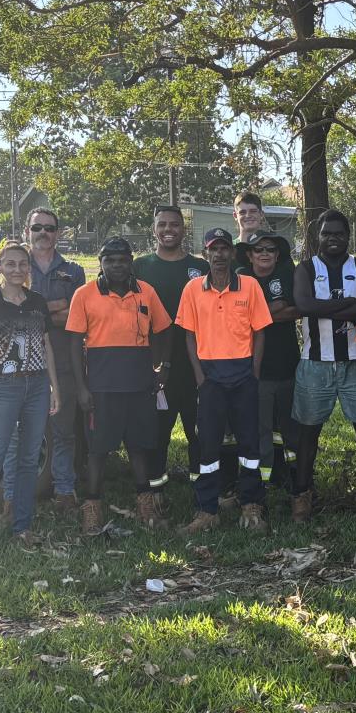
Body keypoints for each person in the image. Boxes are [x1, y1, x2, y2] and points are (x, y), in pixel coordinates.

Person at [66, 237, 172, 536]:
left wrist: (164, 366)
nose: (116, 266)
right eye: (110, 260)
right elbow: (74, 343)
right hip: (101, 387)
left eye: (122, 260)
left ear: (130, 262)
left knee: (139, 447)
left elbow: (164, 329)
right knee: (98, 450)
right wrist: (81, 387)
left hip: (139, 385)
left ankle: (145, 506)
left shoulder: (146, 292)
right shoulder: (84, 294)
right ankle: (92, 509)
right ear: (101, 263)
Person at [0, 243, 61, 554]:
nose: (17, 269)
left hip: (37, 385)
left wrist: (54, 388)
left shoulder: (37, 302)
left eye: (22, 264)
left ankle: (22, 527)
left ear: (29, 267)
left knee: (29, 460)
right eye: (10, 264)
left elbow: (46, 347)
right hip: (3, 387)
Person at [178, 229, 273, 533]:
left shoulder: (249, 285)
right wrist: (200, 377)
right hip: (210, 376)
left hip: (243, 373)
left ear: (233, 253)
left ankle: (251, 504)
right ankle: (208, 510)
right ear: (205, 254)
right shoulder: (193, 289)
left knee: (249, 442)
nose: (219, 254)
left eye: (224, 249)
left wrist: (254, 372)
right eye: (213, 249)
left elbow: (259, 332)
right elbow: (189, 335)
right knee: (208, 443)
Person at [289, 209, 356, 519]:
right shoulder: (305, 268)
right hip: (315, 363)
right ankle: (302, 493)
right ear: (318, 236)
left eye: (339, 233)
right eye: (327, 233)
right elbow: (304, 305)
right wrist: (350, 305)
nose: (333, 238)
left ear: (347, 236)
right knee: (308, 432)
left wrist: (323, 308)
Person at [132, 205, 209, 513]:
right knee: (158, 432)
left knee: (197, 431)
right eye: (162, 224)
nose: (168, 229)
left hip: (195, 362)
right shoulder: (140, 266)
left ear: (183, 229)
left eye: (174, 224)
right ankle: (156, 490)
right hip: (155, 363)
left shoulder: (199, 266)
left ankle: (201, 490)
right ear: (154, 229)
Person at [21, 208, 85, 512]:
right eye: (37, 228)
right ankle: (19, 490)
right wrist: (56, 306)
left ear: (57, 233)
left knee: (63, 430)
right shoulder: (17, 265)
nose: (43, 233)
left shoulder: (74, 271)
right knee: (23, 430)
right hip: (23, 363)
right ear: (27, 232)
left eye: (49, 228)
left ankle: (64, 490)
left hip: (63, 362)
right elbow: (11, 311)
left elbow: (76, 317)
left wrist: (35, 309)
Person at [243, 231, 301, 491]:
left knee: (291, 426)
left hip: (288, 365)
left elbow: (295, 309)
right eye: (258, 249)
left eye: (270, 249)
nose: (264, 253)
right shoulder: (243, 279)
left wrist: (255, 317)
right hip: (257, 368)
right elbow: (241, 315)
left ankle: (296, 477)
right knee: (262, 427)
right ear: (249, 255)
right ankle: (263, 481)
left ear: (277, 255)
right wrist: (276, 308)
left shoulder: (287, 275)